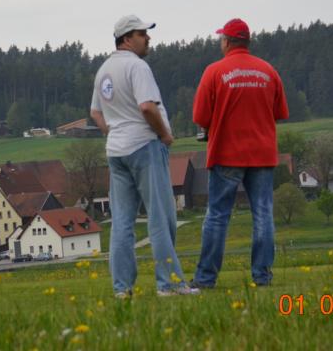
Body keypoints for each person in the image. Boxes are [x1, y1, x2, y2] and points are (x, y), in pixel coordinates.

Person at [90, 15, 198, 298]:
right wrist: (164, 134)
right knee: (161, 218)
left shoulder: (103, 71)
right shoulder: (137, 66)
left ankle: (122, 288)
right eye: (142, 34)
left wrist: (114, 132)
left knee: (122, 223)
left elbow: (95, 113)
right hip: (144, 146)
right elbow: (147, 107)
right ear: (127, 39)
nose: (148, 38)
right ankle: (169, 284)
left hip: (116, 152)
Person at [191, 18, 289, 288]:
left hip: (226, 154)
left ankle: (206, 278)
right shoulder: (268, 71)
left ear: (226, 42)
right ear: (247, 41)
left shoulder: (214, 72)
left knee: (217, 215)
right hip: (262, 155)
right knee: (263, 214)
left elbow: (200, 116)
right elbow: (280, 112)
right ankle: (262, 276)